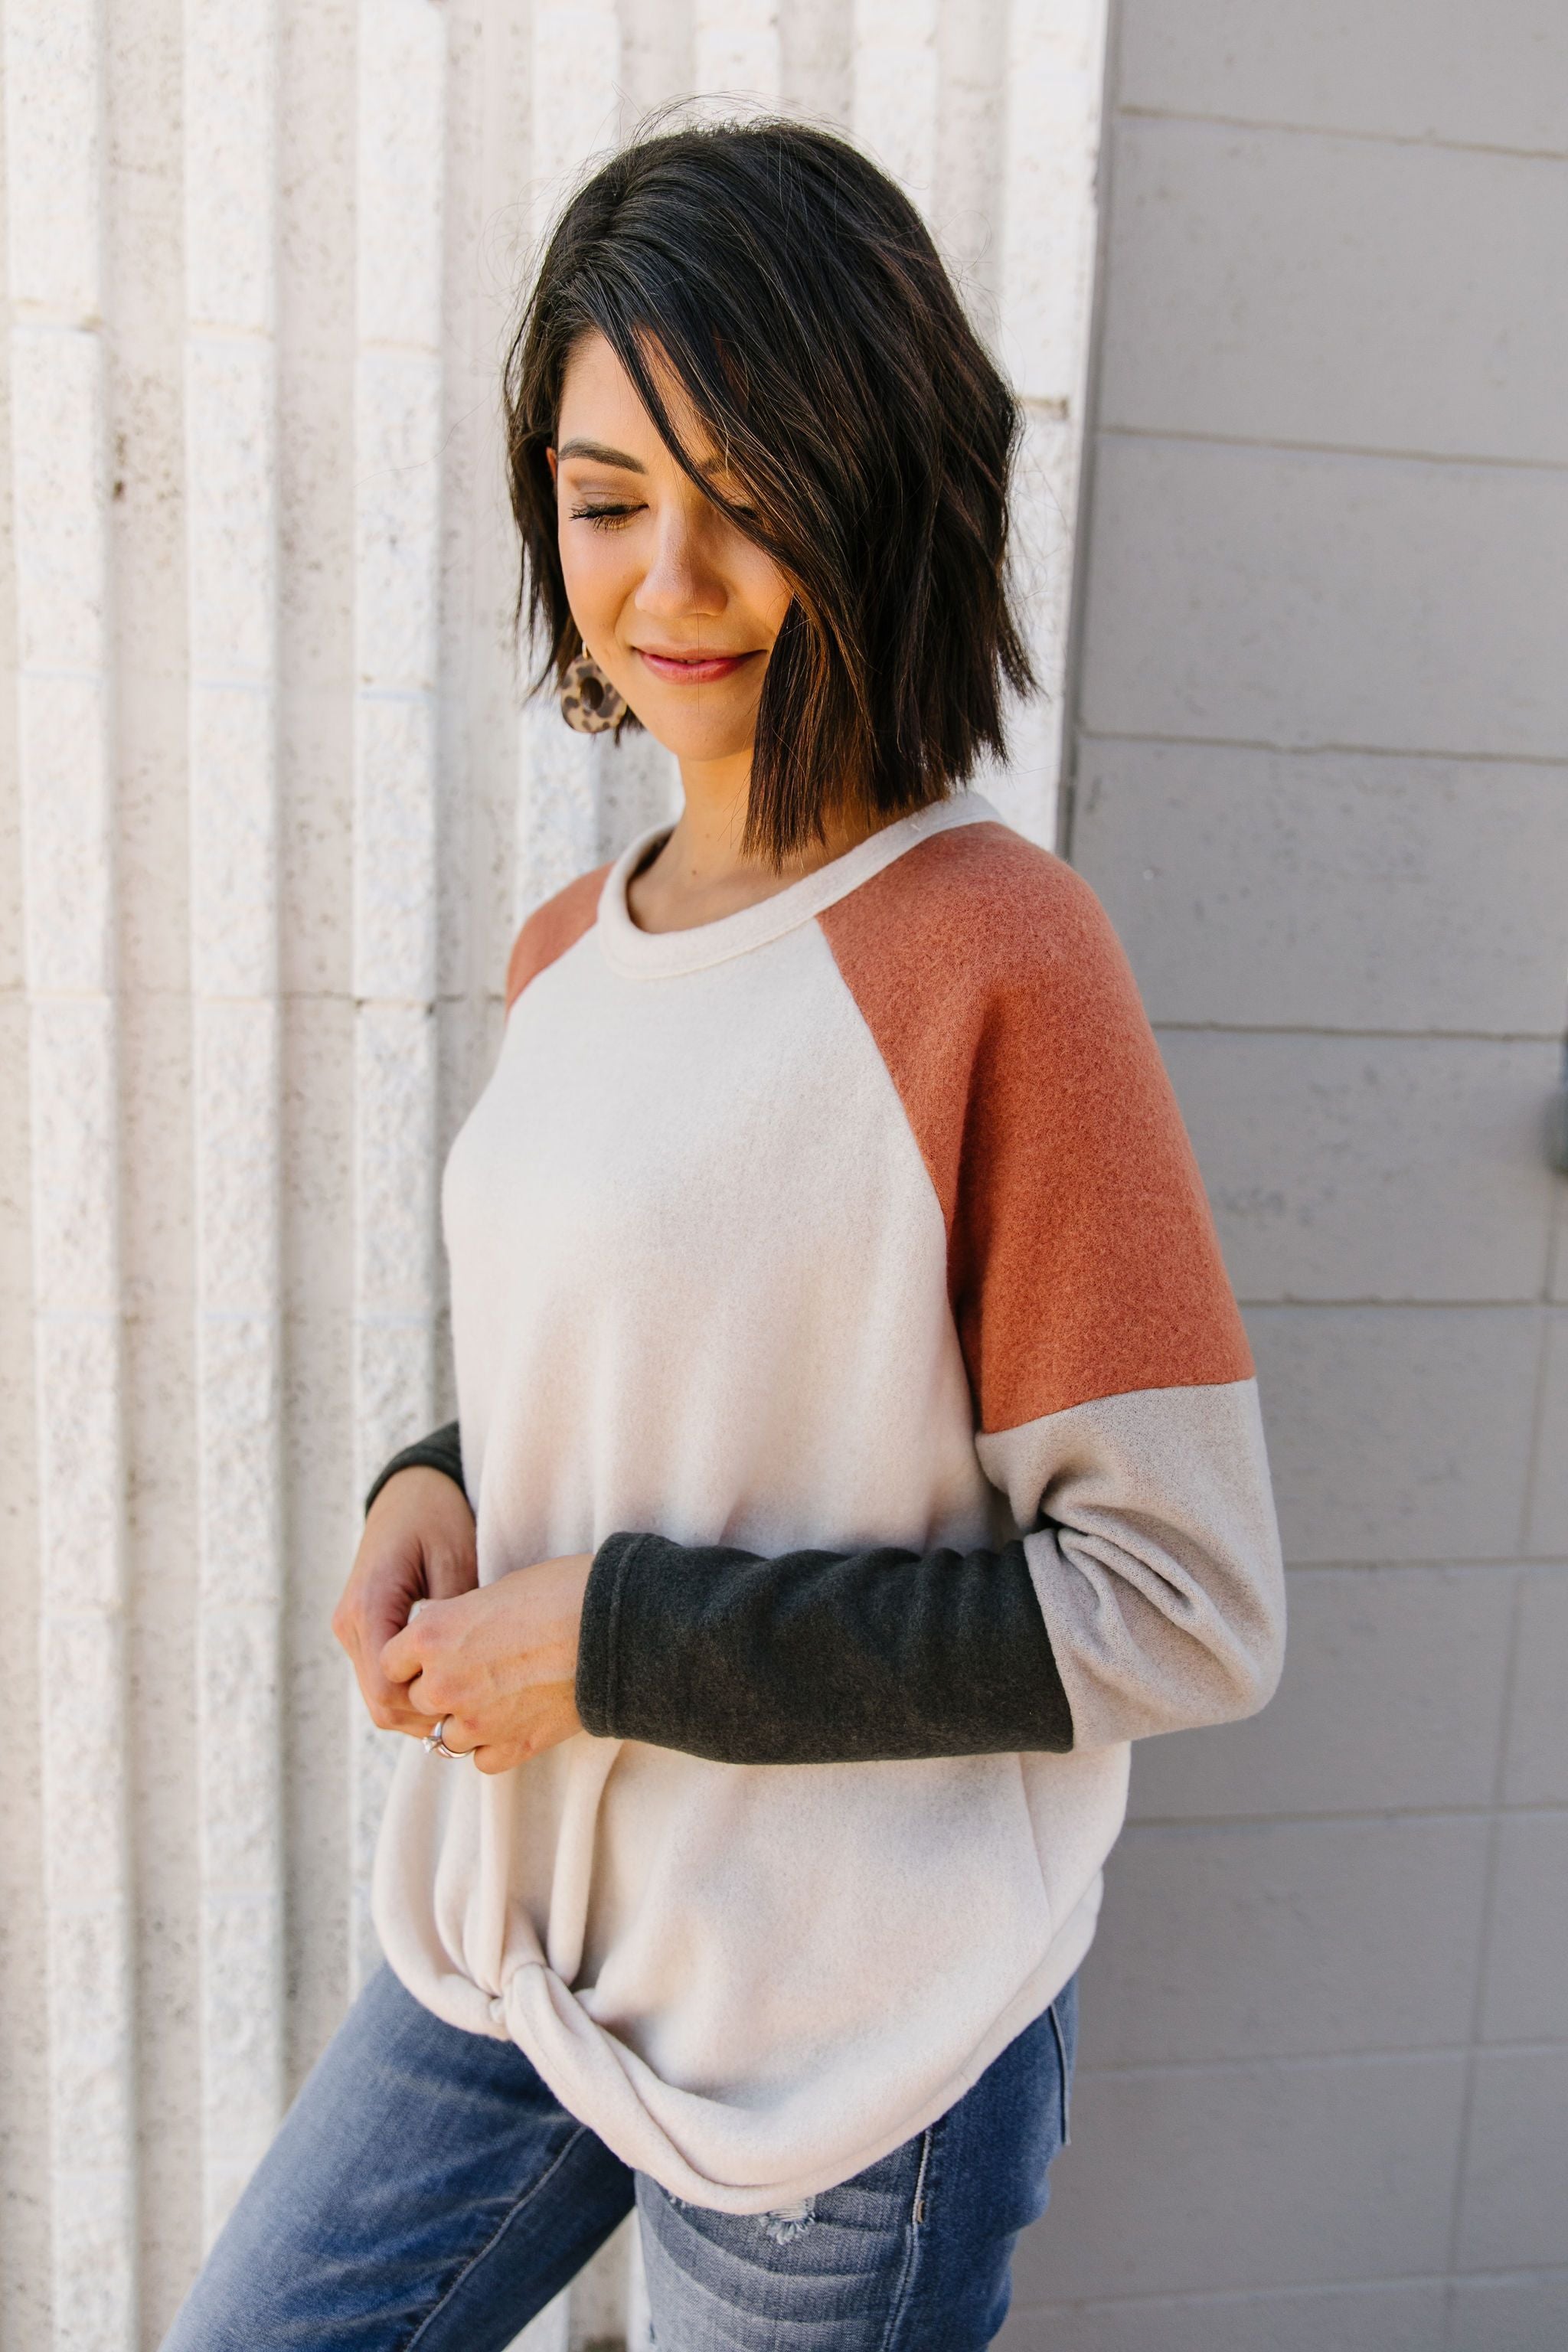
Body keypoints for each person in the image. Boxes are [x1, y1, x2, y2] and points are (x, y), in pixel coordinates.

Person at [164, 119, 1285, 2352]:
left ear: (885, 495)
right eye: (604, 500)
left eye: (750, 493)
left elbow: (1186, 1611)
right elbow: (676, 1356)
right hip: (519, 1941)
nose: (667, 581)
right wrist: (440, 1480)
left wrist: (617, 1645)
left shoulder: (999, 960)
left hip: (846, 2036)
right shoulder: (570, 944)